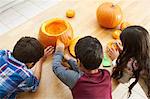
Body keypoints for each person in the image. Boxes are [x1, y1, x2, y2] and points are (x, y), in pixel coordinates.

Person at [107, 26, 150, 97]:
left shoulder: (134, 64)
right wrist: (126, 52)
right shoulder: (145, 49)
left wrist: (115, 59)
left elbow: (122, 79)